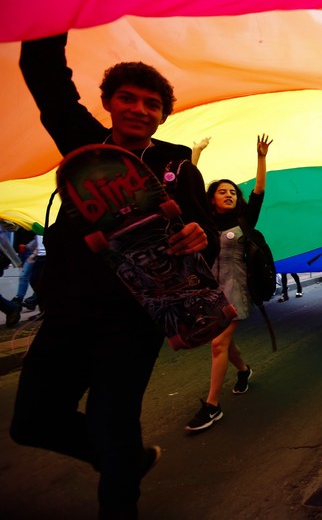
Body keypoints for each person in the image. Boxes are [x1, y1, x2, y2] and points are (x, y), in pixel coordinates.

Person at [11, 33, 217, 518]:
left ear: (164, 114)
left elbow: (202, 223)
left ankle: (121, 469)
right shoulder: (84, 145)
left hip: (136, 319)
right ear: (107, 103)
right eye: (127, 98)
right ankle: (127, 460)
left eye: (152, 104)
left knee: (113, 423)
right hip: (69, 311)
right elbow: (46, 78)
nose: (139, 109)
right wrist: (55, 11)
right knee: (32, 423)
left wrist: (196, 233)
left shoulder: (178, 165)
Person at [185, 135, 271, 432]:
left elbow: (259, 191)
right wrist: (194, 153)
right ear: (212, 198)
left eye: (233, 191)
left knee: (218, 342)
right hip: (209, 290)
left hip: (236, 287)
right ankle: (244, 371)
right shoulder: (205, 220)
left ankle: (212, 405)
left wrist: (261, 157)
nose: (229, 194)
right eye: (223, 191)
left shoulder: (245, 220)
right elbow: (187, 192)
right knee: (226, 342)